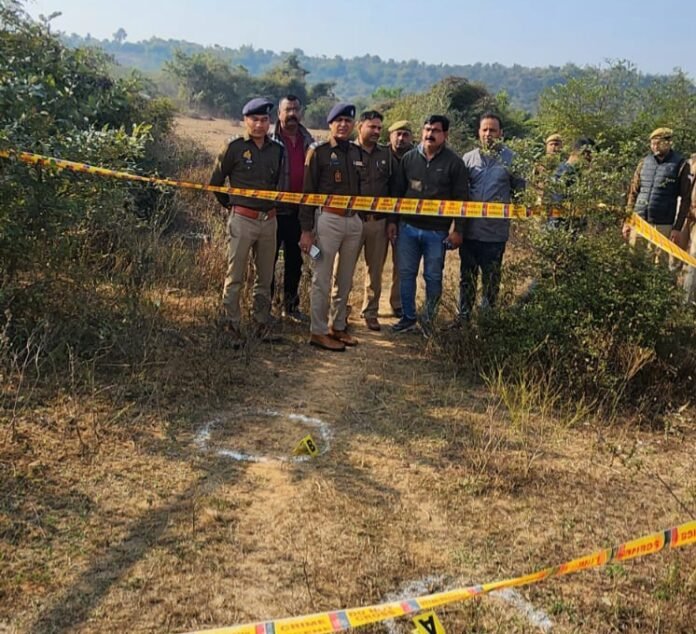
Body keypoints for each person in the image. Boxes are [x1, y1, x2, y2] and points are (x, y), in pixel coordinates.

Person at [209, 98, 284, 346]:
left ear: (270, 122)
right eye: (255, 120)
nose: (259, 125)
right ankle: (231, 325)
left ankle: (261, 323)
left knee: (266, 276)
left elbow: (278, 184)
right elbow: (215, 183)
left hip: (269, 221)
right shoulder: (234, 147)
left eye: (264, 120)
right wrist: (233, 206)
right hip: (242, 220)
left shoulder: (277, 149)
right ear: (245, 121)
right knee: (235, 275)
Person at [387, 115, 468, 333]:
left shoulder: (454, 163)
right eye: (427, 129)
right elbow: (397, 193)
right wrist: (393, 221)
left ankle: (428, 321)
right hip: (407, 229)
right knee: (406, 274)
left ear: (445, 135)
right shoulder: (409, 159)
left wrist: (458, 230)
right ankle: (408, 318)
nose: (430, 134)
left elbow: (462, 200)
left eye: (435, 130)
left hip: (437, 232)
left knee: (433, 276)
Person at [299, 103, 363, 352]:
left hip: (353, 220)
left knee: (345, 278)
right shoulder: (319, 151)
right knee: (322, 278)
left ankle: (338, 326)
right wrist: (307, 230)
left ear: (353, 124)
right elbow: (307, 193)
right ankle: (317, 331)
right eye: (339, 121)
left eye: (348, 121)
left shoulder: (356, 152)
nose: (344, 125)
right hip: (328, 220)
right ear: (330, 124)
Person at [459, 113, 525, 321]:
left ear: (501, 133)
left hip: (495, 234)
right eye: (484, 130)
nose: (488, 134)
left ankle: (487, 321)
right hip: (469, 232)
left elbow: (520, 193)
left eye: (493, 130)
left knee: (491, 280)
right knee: (467, 279)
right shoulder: (468, 159)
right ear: (478, 132)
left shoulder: (512, 160)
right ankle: (464, 319)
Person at [270, 95, 314, 322]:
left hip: (299, 213)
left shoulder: (309, 141)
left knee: (295, 262)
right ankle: (265, 309)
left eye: (296, 109)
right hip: (273, 213)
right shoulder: (269, 140)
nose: (292, 114)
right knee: (267, 262)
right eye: (287, 110)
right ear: (279, 113)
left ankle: (291, 307)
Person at [623, 127, 691, 268]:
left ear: (668, 142)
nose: (655, 147)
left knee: (658, 267)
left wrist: (677, 228)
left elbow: (686, 199)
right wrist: (627, 220)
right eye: (652, 143)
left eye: (658, 143)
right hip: (639, 222)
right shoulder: (644, 162)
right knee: (634, 263)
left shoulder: (681, 165)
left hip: (663, 225)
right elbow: (633, 193)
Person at [353, 110, 394, 331]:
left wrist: (392, 221)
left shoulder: (387, 154)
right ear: (360, 126)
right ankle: (339, 312)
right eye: (372, 127)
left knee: (375, 271)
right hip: (352, 220)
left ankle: (370, 312)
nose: (377, 131)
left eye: (379, 128)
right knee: (343, 269)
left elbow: (394, 188)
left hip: (378, 221)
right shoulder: (348, 152)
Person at [385, 120, 414, 318]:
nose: (401, 138)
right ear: (390, 136)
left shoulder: (416, 157)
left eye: (405, 134)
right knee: (374, 265)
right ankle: (369, 307)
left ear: (411, 137)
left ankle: (397, 303)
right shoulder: (380, 154)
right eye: (398, 134)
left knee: (401, 264)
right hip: (378, 216)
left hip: (404, 219)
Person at [683, 154, 696, 304]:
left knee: (694, 257)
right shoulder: (690, 162)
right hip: (683, 214)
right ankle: (666, 296)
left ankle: (686, 302)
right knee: (672, 255)